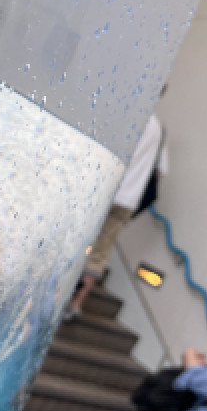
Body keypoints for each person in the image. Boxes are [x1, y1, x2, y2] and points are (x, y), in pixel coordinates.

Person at [70, 111, 168, 312]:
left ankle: (54, 296)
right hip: (128, 201)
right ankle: (75, 304)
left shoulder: (128, 112)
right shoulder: (160, 131)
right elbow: (161, 172)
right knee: (99, 254)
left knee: (74, 240)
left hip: (104, 191)